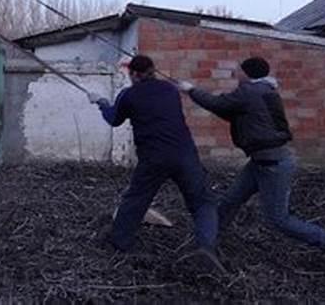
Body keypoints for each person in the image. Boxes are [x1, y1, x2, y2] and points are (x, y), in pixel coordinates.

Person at [178, 56, 325, 278]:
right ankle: (206, 246)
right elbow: (227, 111)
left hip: (273, 165)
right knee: (229, 201)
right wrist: (194, 93)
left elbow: (219, 104)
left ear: (248, 73)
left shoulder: (250, 92)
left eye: (240, 71)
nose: (237, 74)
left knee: (279, 220)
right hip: (261, 162)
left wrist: (191, 90)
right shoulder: (261, 91)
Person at [88, 55, 225, 273]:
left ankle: (120, 243)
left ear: (132, 74)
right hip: (184, 154)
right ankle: (206, 248)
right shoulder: (170, 90)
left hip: (153, 158)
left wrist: (100, 102)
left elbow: (114, 119)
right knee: (202, 202)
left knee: (136, 200)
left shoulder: (129, 95)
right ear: (153, 71)